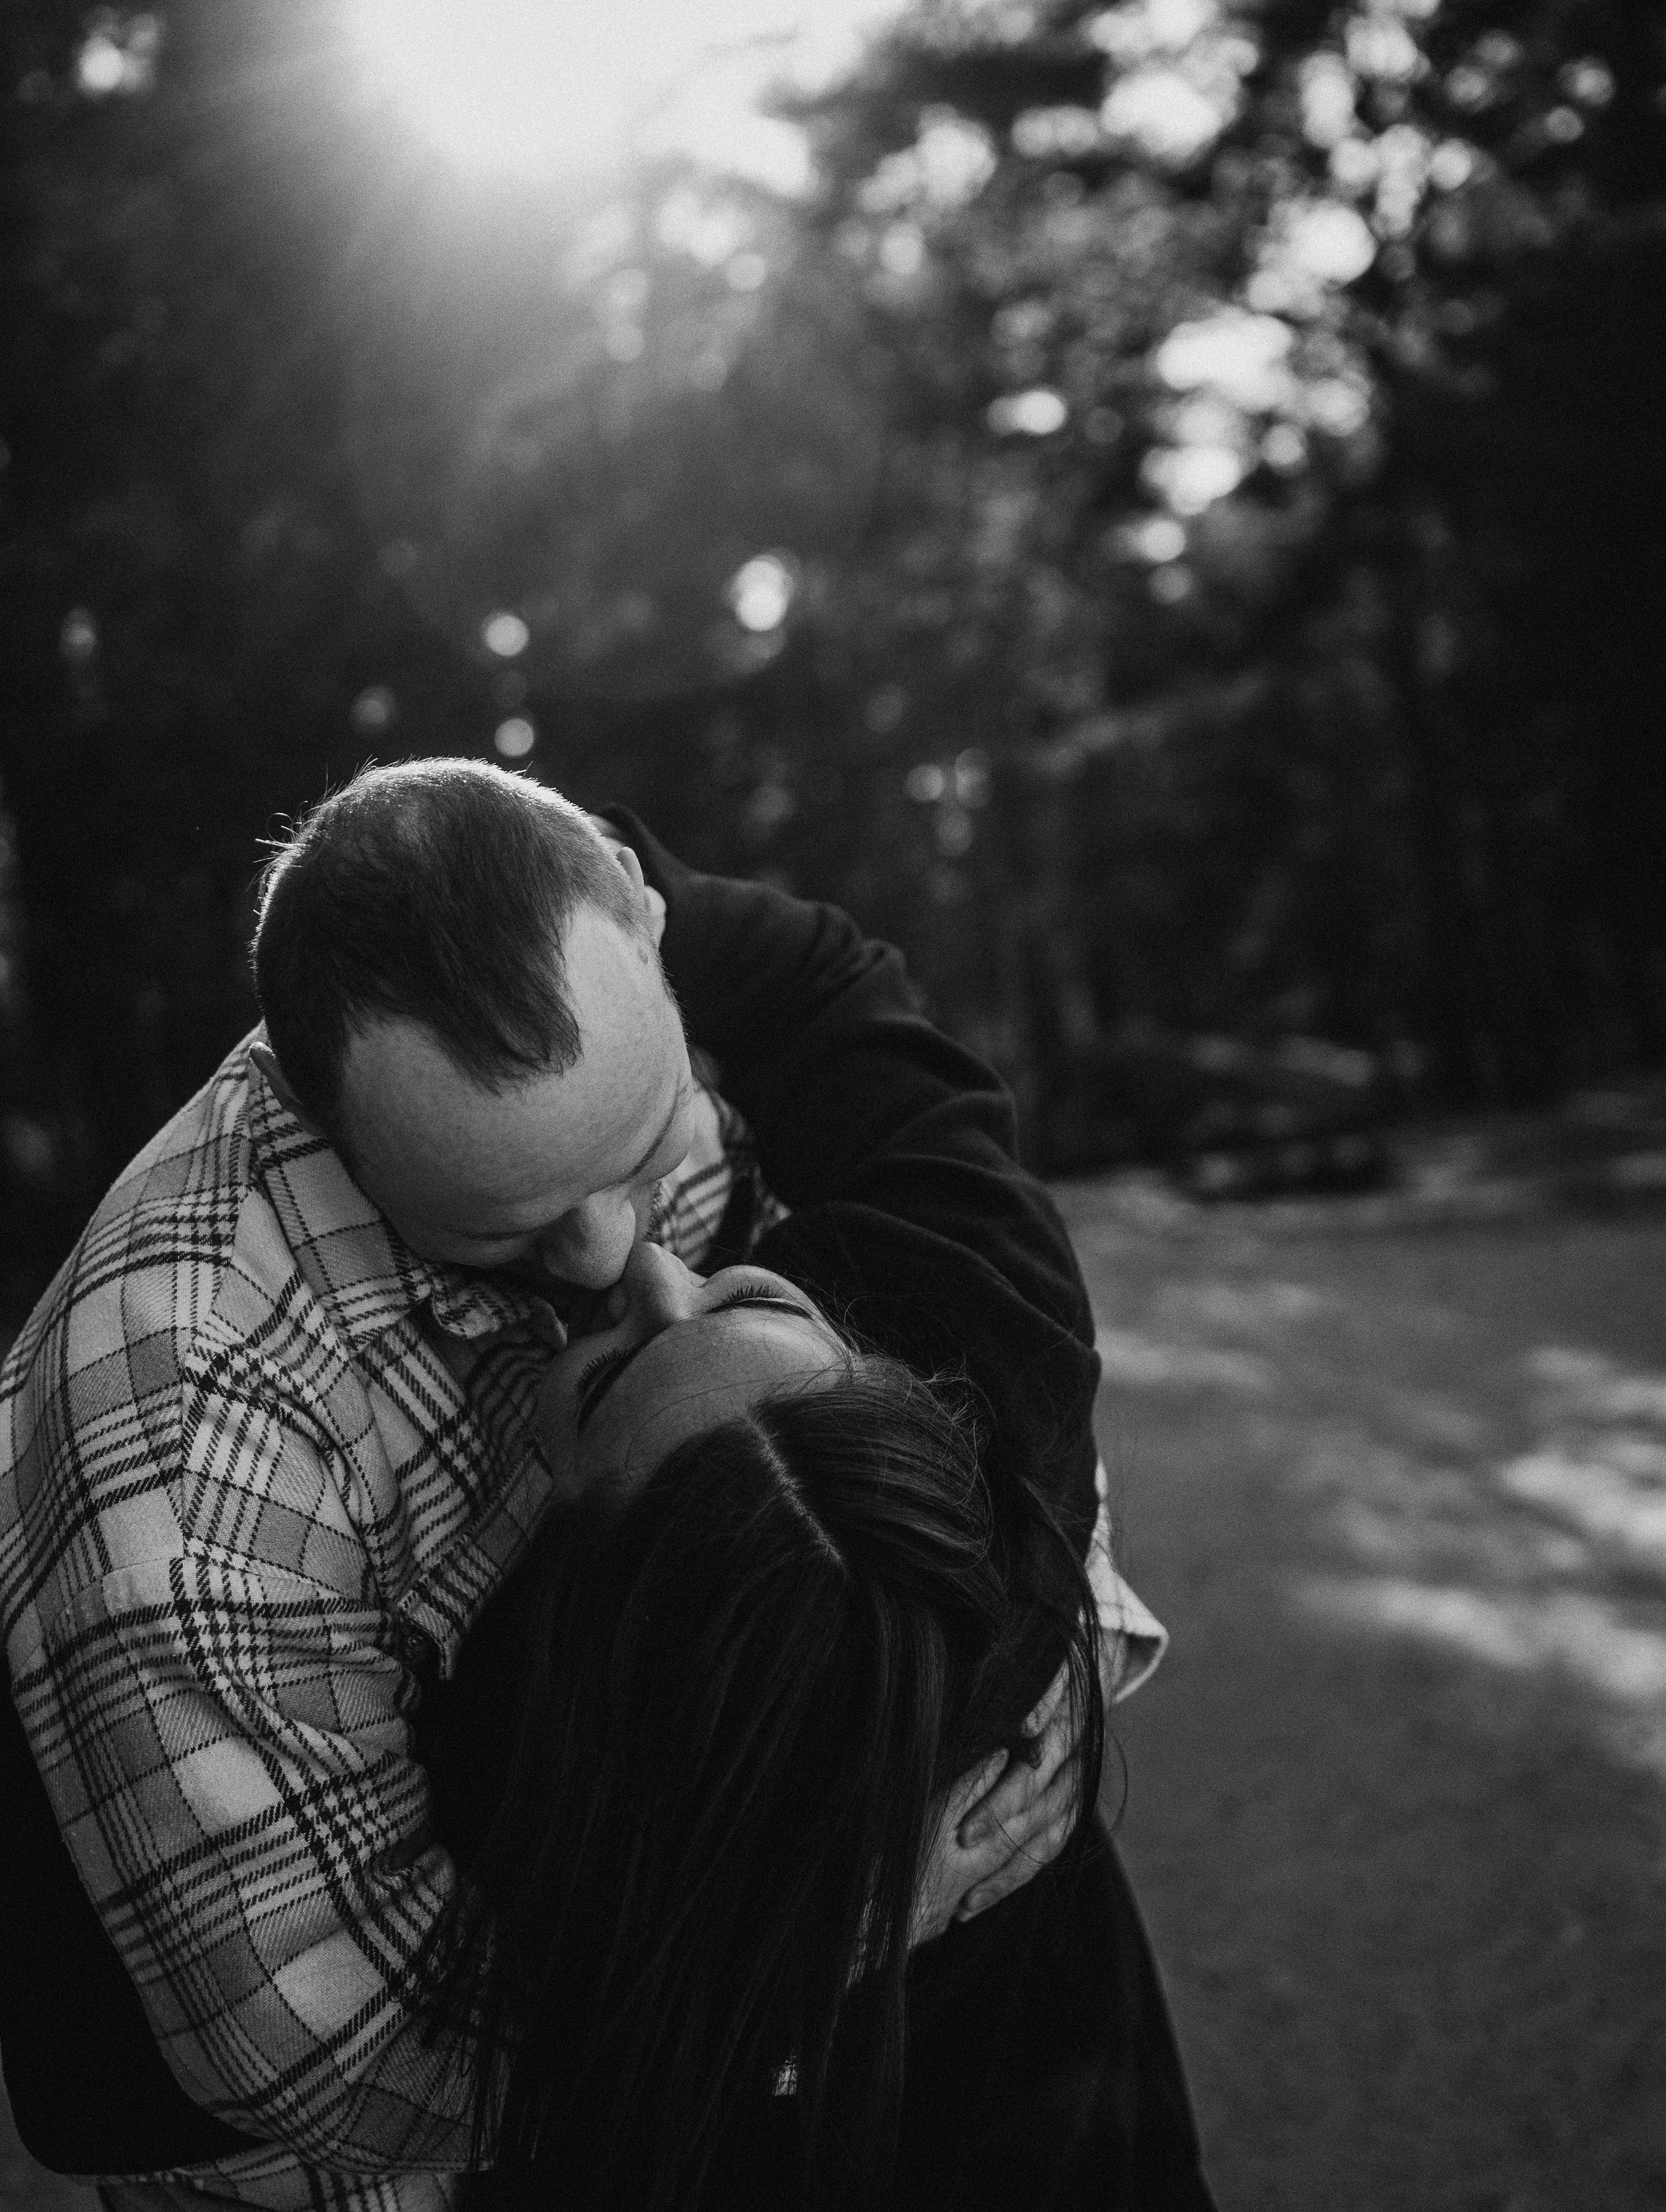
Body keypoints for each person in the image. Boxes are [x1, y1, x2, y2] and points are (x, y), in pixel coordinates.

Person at [0, 762, 784, 2212]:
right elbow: (344, 2047)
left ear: (650, 937)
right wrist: (822, 1959)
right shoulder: (184, 1460)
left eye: (645, 1142)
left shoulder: (602, 1016)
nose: (621, 1257)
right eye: (513, 1228)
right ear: (323, 1125)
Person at [410, 812, 1210, 2212]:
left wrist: (783, 1951)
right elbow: (819, 986)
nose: (651, 1270)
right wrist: (593, 904)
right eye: (749, 1301)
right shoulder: (986, 1315)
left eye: (605, 1386)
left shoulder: (502, 1774)